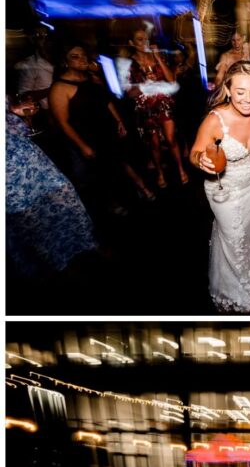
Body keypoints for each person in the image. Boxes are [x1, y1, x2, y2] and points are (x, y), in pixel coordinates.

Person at [190, 62, 250, 311]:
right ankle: (235, 287)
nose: (248, 99)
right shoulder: (215, 120)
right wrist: (201, 160)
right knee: (232, 236)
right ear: (228, 90)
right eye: (241, 92)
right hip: (225, 192)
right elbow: (195, 152)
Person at [49, 44, 155, 209]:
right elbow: (62, 122)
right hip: (87, 136)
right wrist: (82, 146)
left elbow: (107, 102)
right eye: (75, 56)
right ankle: (113, 203)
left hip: (107, 129)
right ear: (65, 62)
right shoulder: (59, 88)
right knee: (102, 172)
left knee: (122, 160)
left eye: (83, 55)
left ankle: (142, 188)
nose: (82, 59)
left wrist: (119, 121)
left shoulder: (92, 79)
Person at [6, 104, 97, 279]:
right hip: (10, 179)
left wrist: (13, 113)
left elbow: (19, 129)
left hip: (32, 162)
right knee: (31, 221)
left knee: (65, 200)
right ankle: (60, 267)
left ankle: (89, 246)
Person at [119, 26, 187, 188]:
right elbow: (129, 93)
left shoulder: (157, 56)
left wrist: (158, 58)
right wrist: (144, 85)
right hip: (145, 107)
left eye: (146, 38)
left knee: (170, 139)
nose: (144, 42)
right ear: (131, 43)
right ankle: (160, 172)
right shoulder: (129, 64)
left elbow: (171, 81)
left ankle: (181, 169)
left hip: (163, 102)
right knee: (154, 144)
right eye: (140, 39)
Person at [214, 11, 250, 86]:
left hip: (247, 86)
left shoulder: (247, 50)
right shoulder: (226, 56)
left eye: (238, 40)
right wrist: (215, 86)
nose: (236, 43)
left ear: (243, 38)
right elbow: (219, 76)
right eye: (233, 40)